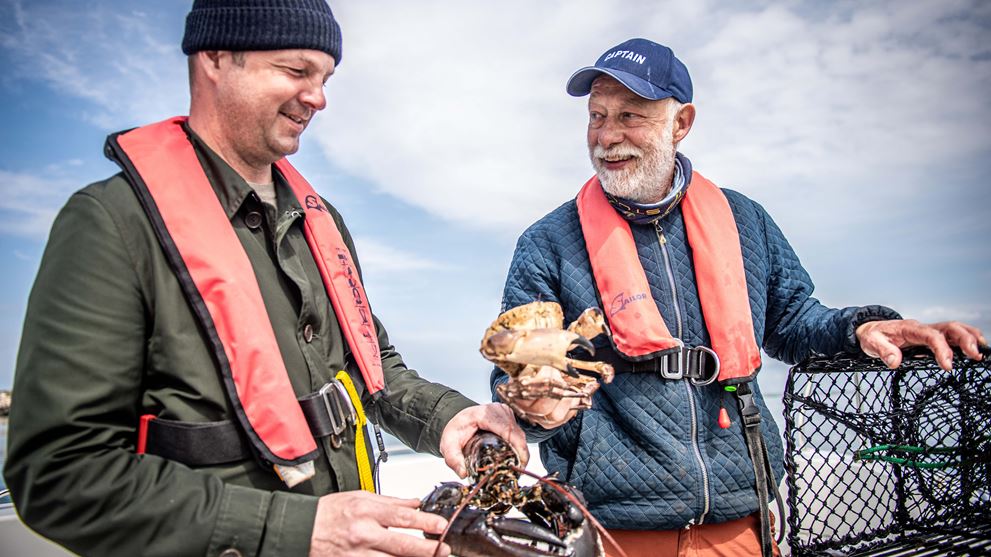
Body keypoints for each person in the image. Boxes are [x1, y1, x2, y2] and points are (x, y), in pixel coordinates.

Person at [3, 2, 527, 556]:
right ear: (215, 58)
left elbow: (374, 371)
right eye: (296, 72)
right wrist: (298, 530)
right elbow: (59, 472)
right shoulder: (110, 224)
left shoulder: (320, 222)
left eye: (325, 78)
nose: (319, 97)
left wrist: (451, 417)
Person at [490, 38, 986, 557]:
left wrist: (860, 329)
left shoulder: (745, 219)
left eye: (630, 116)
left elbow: (794, 322)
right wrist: (533, 401)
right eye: (597, 116)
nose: (607, 136)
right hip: (612, 531)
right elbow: (515, 379)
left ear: (680, 123)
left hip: (742, 524)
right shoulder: (547, 242)